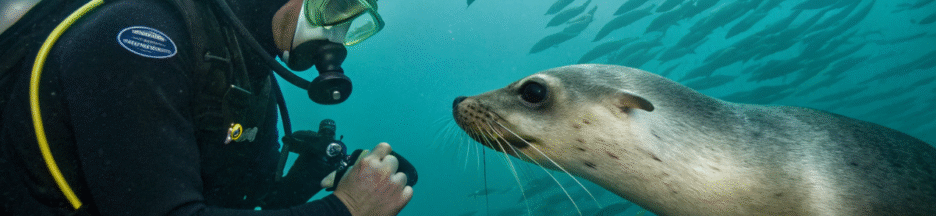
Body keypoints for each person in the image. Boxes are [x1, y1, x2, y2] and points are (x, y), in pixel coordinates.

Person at [0, 0, 414, 215]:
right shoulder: (144, 36)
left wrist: (309, 177)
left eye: (354, 22)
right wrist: (346, 209)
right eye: (337, 7)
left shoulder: (246, 69)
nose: (339, 34)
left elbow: (243, 198)